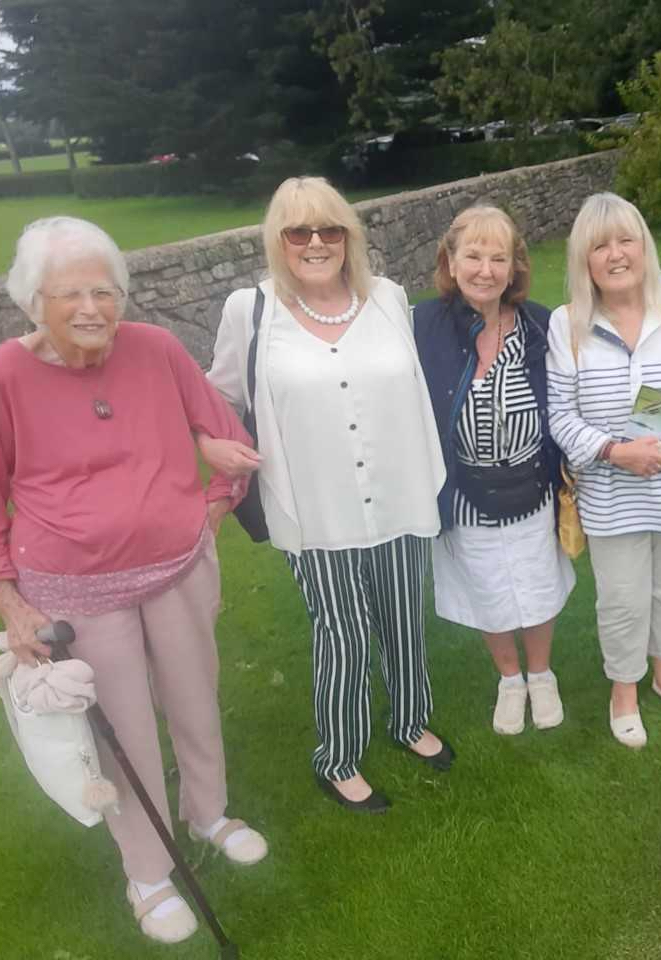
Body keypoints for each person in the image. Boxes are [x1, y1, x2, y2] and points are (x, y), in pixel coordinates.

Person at [0, 216, 268, 946]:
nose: (92, 308)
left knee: (194, 698)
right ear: (34, 301)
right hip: (73, 588)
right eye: (70, 293)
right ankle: (148, 872)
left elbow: (226, 433)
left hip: (176, 568)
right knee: (121, 731)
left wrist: (211, 503)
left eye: (105, 291)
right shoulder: (0, 375)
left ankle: (209, 812)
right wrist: (5, 594)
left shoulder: (156, 348)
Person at [204, 176, 449, 815]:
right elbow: (215, 396)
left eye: (329, 229)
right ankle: (337, 758)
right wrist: (211, 444)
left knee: (404, 619)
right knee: (343, 635)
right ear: (278, 240)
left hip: (399, 494)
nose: (316, 243)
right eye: (298, 231)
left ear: (348, 236)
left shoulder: (389, 298)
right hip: (314, 509)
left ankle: (410, 720)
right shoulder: (250, 310)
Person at [547, 193, 661, 749]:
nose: (615, 255)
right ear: (584, 259)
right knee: (622, 599)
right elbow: (560, 413)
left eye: (625, 240)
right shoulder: (567, 324)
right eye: (599, 246)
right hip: (610, 494)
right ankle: (624, 690)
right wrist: (614, 451)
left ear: (644, 246)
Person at [413, 206, 575, 736]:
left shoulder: (540, 325)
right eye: (473, 256)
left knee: (538, 583)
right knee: (487, 588)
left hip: (533, 486)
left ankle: (541, 675)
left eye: (498, 258)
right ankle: (510, 679)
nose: (485, 270)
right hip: (466, 491)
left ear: (514, 267)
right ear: (450, 262)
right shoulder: (423, 325)